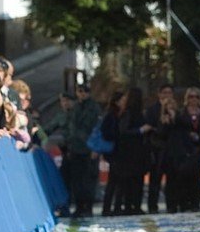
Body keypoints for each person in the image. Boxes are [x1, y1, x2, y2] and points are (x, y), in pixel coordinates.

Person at [102, 88, 147, 216]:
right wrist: (140, 131)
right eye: (122, 100)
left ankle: (117, 207)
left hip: (121, 152)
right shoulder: (114, 115)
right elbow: (119, 132)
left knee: (120, 181)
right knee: (116, 181)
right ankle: (110, 207)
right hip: (119, 152)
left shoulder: (120, 114)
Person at [165, 88, 200, 212]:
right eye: (190, 97)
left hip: (198, 148)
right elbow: (178, 127)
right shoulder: (182, 113)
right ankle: (183, 203)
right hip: (184, 149)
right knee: (183, 176)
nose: (193, 99)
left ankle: (195, 203)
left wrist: (199, 136)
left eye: (196, 97)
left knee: (196, 177)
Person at [63, 83, 102, 217]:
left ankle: (88, 207)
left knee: (89, 179)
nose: (82, 94)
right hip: (76, 147)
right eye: (79, 91)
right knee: (77, 179)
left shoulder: (94, 108)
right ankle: (79, 207)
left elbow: (97, 128)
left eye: (84, 91)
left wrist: (95, 147)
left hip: (89, 147)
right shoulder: (75, 108)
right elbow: (70, 127)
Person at [143, 84, 176, 215]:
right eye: (164, 93)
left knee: (172, 180)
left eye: (169, 93)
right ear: (159, 94)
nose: (167, 95)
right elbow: (150, 128)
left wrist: (172, 116)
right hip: (156, 149)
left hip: (171, 149)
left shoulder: (175, 109)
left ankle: (172, 205)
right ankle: (152, 206)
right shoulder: (152, 110)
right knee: (155, 180)